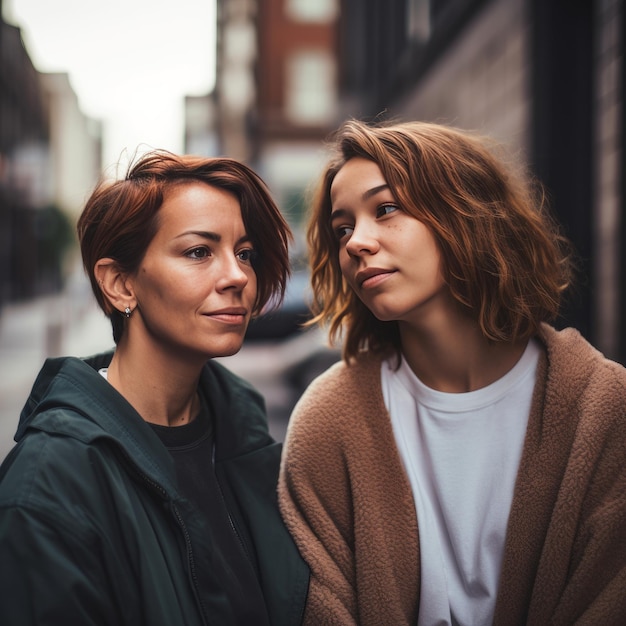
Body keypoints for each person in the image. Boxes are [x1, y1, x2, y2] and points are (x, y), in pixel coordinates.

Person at [278, 119, 626, 625]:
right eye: (342, 228)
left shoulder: (603, 409)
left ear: (465, 215)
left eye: (386, 208)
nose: (356, 243)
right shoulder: (329, 422)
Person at [0, 150, 309, 625]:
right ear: (120, 284)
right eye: (198, 251)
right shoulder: (50, 486)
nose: (237, 276)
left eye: (243, 253)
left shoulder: (242, 431)